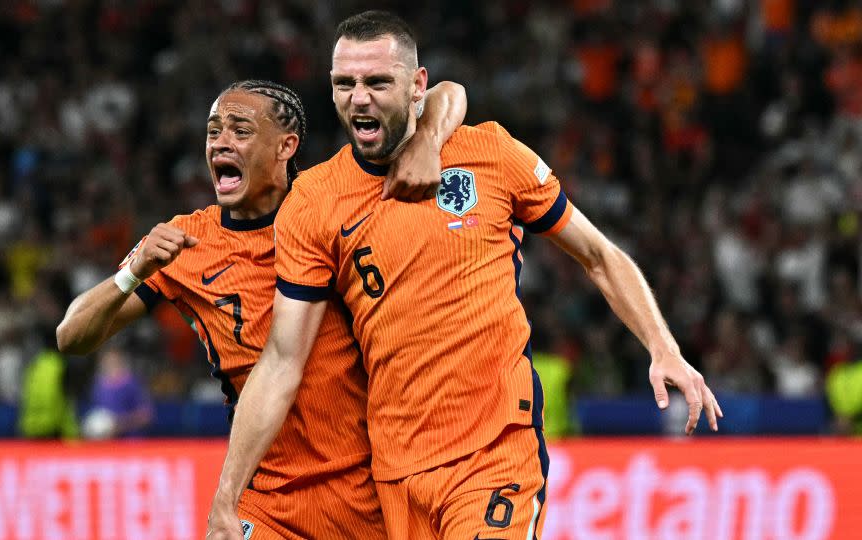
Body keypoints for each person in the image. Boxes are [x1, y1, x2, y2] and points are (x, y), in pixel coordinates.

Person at [209, 10, 723, 540]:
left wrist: (662, 345)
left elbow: (597, 255)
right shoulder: (313, 203)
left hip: (495, 451)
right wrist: (227, 495)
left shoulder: (490, 154)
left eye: (377, 82)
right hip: (395, 470)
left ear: (417, 85)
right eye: (345, 83)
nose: (358, 97)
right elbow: (282, 360)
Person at [57, 77, 466, 538]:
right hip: (268, 498)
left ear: (286, 146)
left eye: (240, 131)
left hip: (369, 492)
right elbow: (71, 336)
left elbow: (448, 92)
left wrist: (426, 140)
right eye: (213, 132)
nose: (220, 144)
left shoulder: (332, 205)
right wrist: (132, 272)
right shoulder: (187, 242)